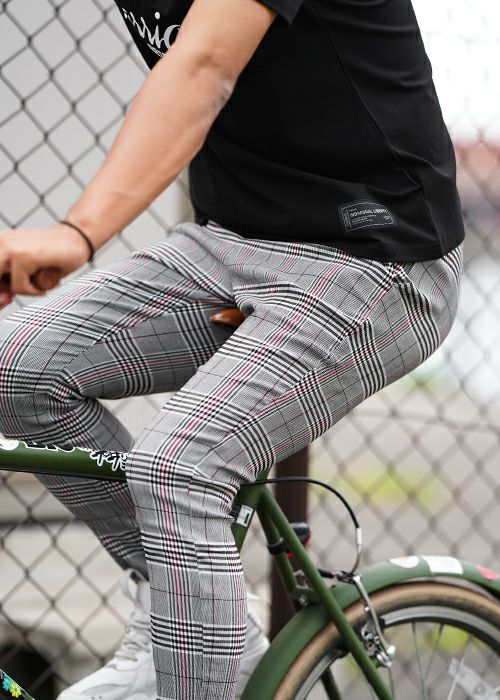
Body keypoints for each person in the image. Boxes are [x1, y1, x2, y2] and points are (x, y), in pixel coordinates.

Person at [0, 0, 464, 697]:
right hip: (227, 244)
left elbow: (205, 64)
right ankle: (195, 620)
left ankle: (196, 654)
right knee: (16, 370)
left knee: (178, 466)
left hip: (376, 260)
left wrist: (76, 234)